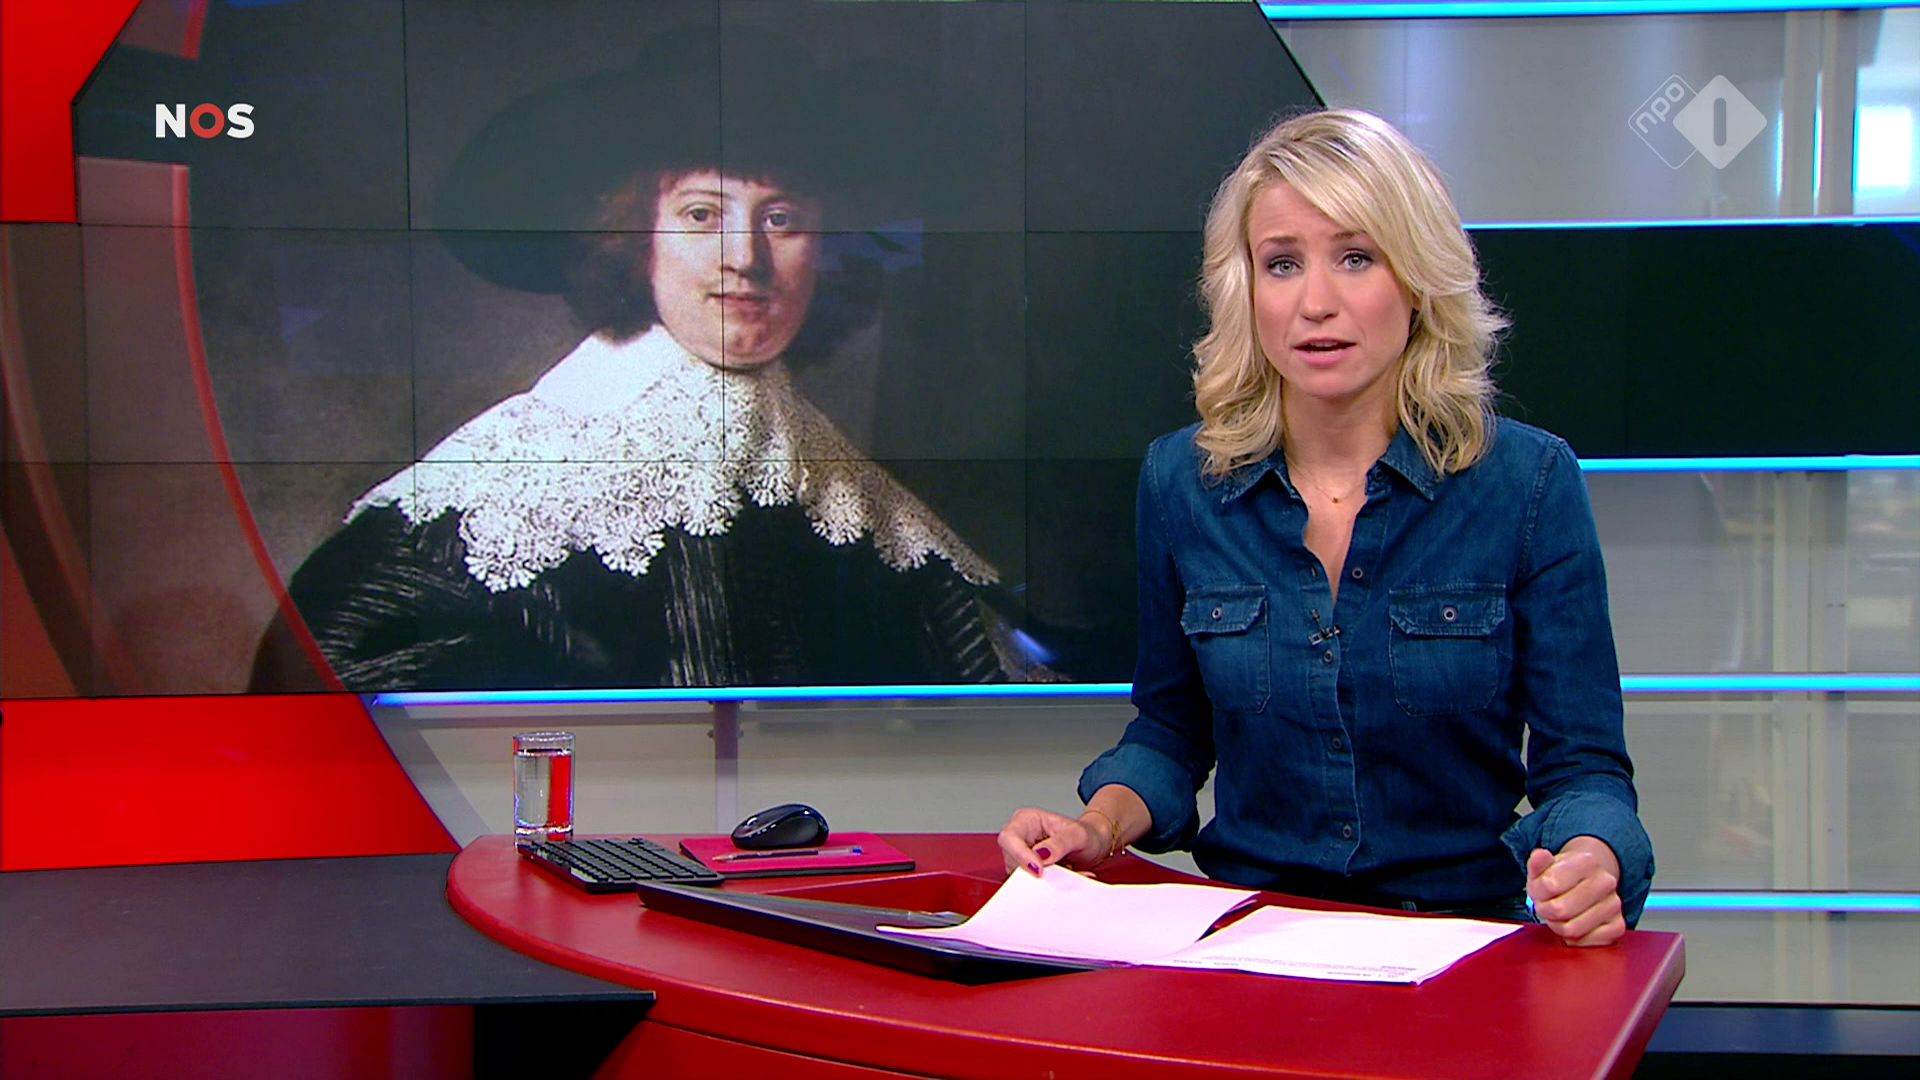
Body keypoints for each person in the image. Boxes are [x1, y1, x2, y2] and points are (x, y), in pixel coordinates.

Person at [998, 109, 1653, 947]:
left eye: (1355, 258)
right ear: (1246, 290)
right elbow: (1170, 731)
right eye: (1282, 264)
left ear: (1417, 279)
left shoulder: (1528, 483)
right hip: (1251, 940)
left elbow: (1585, 768)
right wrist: (1097, 826)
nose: (1315, 303)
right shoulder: (1182, 482)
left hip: (1455, 941)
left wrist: (1594, 858)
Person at [250, 26, 1040, 692]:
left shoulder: (861, 504)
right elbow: (319, 688)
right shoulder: (500, 496)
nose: (745, 257)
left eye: (783, 219)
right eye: (701, 214)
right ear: (633, 240)